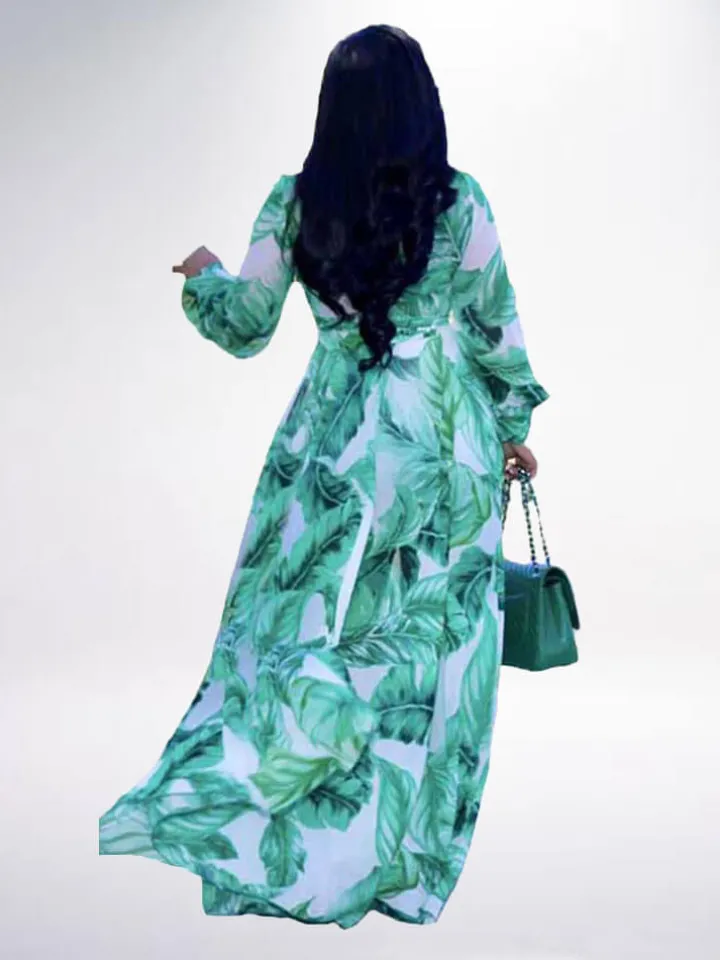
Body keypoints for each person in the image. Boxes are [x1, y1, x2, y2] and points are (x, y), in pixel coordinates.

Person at [99, 23, 548, 928]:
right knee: (426, 647)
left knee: (301, 629)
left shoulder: (296, 201)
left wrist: (205, 276)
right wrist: (511, 429)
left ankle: (288, 809)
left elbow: (247, 323)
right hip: (441, 442)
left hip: (332, 443)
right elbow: (495, 329)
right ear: (423, 104)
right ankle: (397, 850)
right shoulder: (461, 202)